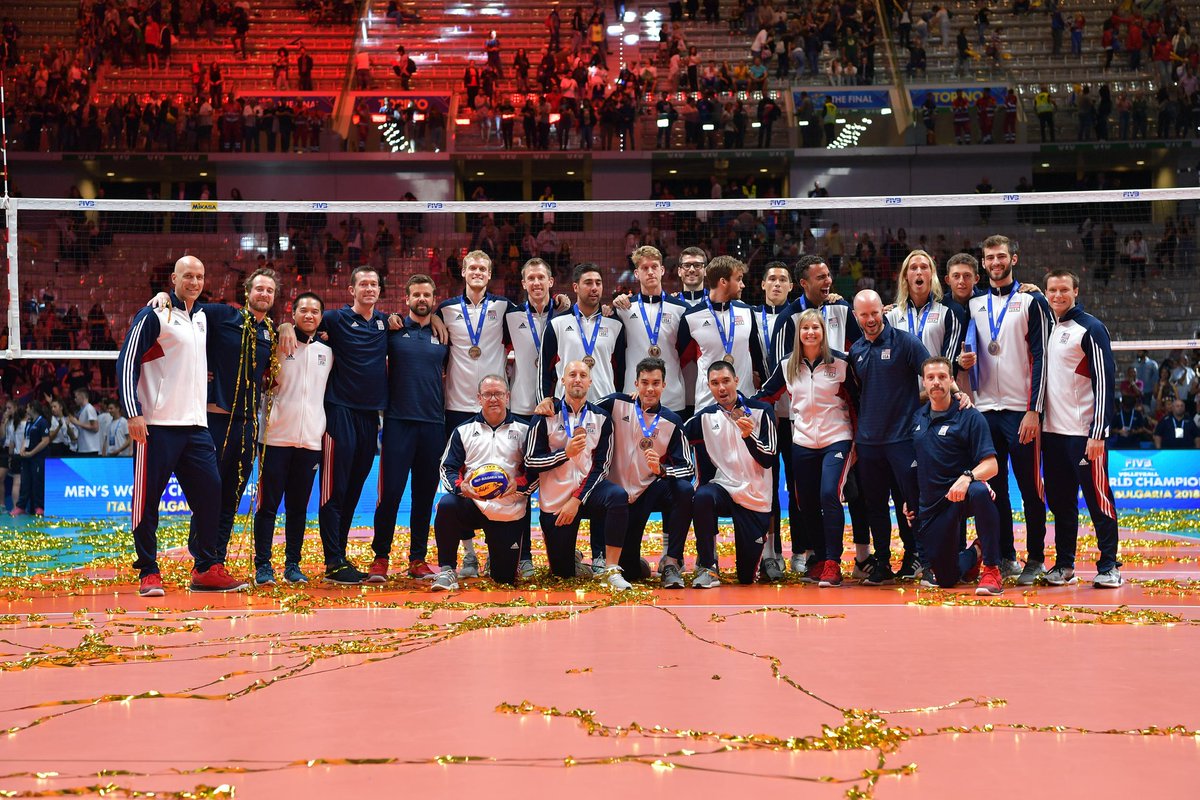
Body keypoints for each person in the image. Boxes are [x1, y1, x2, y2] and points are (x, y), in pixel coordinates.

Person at [116, 255, 248, 596]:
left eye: (200, 276)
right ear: (173, 278)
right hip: (156, 426)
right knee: (146, 502)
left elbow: (244, 312)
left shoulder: (203, 316)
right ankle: (148, 571)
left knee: (211, 495)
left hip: (196, 426)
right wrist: (133, 412)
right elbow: (126, 360)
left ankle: (205, 567)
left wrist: (287, 326)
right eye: (187, 275)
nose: (194, 281)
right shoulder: (155, 313)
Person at [967, 235, 1052, 585]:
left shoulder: (1031, 301)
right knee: (994, 489)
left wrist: (1034, 409)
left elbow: (1042, 357)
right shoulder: (972, 304)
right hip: (985, 410)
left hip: (1021, 411)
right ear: (983, 263)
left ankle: (1035, 558)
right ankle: (1004, 556)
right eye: (990, 257)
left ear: (1013, 259)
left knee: (1031, 489)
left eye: (1002, 256)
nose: (996, 262)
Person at [755, 309, 858, 587]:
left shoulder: (841, 362)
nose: (810, 332)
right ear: (798, 334)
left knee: (829, 494)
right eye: (805, 328)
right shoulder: (788, 364)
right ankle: (822, 559)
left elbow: (856, 402)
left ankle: (834, 564)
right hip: (801, 442)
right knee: (805, 503)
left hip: (837, 438)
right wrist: (737, 406)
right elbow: (765, 395)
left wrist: (857, 441)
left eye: (816, 328)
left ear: (823, 332)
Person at [1042, 270, 1123, 588]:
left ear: (1076, 290)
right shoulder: (1049, 327)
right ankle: (1064, 566)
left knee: (1099, 499)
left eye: (1064, 289)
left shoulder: (1090, 328)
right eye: (1052, 290)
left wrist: (1098, 433)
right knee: (1061, 502)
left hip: (1084, 434)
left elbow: (1106, 382)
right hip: (1052, 434)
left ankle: (1109, 565)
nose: (1058, 295)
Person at [368, 274, 449, 583]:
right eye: (416, 294)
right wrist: (387, 319)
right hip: (398, 424)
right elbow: (368, 323)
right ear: (407, 298)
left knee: (424, 495)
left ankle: (417, 558)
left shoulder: (444, 334)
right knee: (389, 494)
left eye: (427, 295)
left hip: (433, 425)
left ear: (433, 297)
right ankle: (381, 557)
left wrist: (439, 318)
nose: (422, 299)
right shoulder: (393, 330)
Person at [849, 289, 931, 585]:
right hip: (869, 443)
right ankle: (882, 561)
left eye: (875, 313)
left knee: (910, 501)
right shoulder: (856, 350)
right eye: (864, 314)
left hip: (903, 440)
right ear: (856, 316)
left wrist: (956, 396)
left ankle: (917, 556)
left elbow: (932, 373)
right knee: (875, 505)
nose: (870, 319)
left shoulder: (905, 342)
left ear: (882, 311)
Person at [527, 360, 632, 588]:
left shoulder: (602, 417)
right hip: (556, 500)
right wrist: (564, 454)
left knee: (616, 496)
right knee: (563, 576)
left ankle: (611, 568)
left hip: (587, 494)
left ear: (590, 381)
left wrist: (577, 499)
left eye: (583, 375)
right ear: (562, 380)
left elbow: (602, 466)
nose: (577, 379)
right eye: (572, 374)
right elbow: (530, 461)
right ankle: (573, 558)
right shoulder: (545, 415)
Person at [252, 292, 332, 585]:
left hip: (310, 441)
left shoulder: (327, 352)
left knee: (298, 508)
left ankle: (293, 565)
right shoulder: (277, 342)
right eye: (303, 310)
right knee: (268, 506)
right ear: (293, 313)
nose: (309, 315)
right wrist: (282, 327)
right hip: (274, 438)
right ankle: (263, 566)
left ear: (321, 317)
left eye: (315, 311)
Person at [594, 357, 695, 588]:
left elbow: (687, 468)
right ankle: (628, 561)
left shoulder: (672, 420)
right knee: (631, 571)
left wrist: (662, 469)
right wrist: (550, 403)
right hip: (616, 497)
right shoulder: (616, 404)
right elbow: (583, 410)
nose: (650, 388)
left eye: (656, 383)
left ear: (664, 385)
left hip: (648, 492)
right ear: (636, 383)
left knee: (684, 489)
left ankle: (671, 561)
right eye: (645, 382)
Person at [909, 356, 1004, 594]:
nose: (936, 382)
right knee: (946, 579)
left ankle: (992, 569)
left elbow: (992, 465)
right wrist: (907, 500)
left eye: (942, 377)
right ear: (924, 382)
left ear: (952, 380)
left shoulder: (970, 416)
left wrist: (968, 477)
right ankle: (975, 554)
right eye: (930, 378)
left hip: (965, 492)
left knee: (980, 491)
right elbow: (915, 464)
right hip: (935, 504)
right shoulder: (917, 419)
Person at [431, 375, 533, 590]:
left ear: (507, 396)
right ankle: (447, 570)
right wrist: (462, 487)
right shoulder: (463, 430)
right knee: (447, 505)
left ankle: (495, 557)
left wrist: (520, 484)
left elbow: (535, 471)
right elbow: (447, 468)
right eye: (487, 394)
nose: (493, 398)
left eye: (498, 394)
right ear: (479, 398)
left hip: (508, 507)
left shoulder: (525, 430)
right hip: (474, 504)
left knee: (504, 580)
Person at [684, 361, 777, 586]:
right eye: (715, 383)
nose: (722, 388)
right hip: (724, 489)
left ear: (736, 381)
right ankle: (708, 565)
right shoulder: (705, 417)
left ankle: (763, 557)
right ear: (709, 386)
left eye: (726, 381)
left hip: (755, 497)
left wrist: (749, 436)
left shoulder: (761, 411)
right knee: (703, 496)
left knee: (746, 578)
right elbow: (673, 431)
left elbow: (769, 458)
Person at [753, 261, 804, 580]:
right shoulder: (746, 315)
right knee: (767, 485)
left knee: (799, 486)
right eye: (771, 278)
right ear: (761, 285)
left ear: (791, 287)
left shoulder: (804, 318)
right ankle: (770, 552)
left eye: (782, 280)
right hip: (764, 415)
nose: (776, 284)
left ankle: (801, 551)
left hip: (798, 415)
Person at [610, 246, 692, 414]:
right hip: (633, 394)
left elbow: (686, 351)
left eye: (654, 267)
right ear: (636, 274)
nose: (650, 272)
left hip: (672, 395)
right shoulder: (623, 309)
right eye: (644, 268)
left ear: (662, 270)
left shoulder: (680, 309)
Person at [680, 255, 765, 411]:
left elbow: (758, 357)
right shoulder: (691, 317)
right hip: (708, 404)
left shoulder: (746, 312)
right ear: (723, 282)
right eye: (738, 279)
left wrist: (765, 399)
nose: (743, 285)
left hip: (745, 402)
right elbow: (678, 359)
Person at [540, 263, 626, 404]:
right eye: (588, 283)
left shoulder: (615, 325)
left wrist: (617, 402)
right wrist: (545, 400)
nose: (594, 288)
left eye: (598, 283)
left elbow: (621, 371)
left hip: (605, 407)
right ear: (575, 287)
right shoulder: (557, 324)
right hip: (566, 408)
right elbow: (544, 371)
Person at [886, 249, 962, 363]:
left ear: (932, 274)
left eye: (924, 267)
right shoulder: (892, 315)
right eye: (913, 268)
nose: (919, 272)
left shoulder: (946, 313)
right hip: (902, 380)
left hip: (935, 380)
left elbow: (948, 364)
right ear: (906, 275)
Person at [15, 399, 49, 516]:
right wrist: (22, 449)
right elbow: (26, 437)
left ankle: (39, 507)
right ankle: (21, 507)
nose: (26, 409)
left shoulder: (42, 422)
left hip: (38, 458)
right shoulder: (29, 422)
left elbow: (45, 440)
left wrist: (32, 452)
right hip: (27, 458)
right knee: (25, 482)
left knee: (37, 482)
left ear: (33, 408)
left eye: (28, 407)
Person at [68, 388, 101, 455]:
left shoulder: (89, 408)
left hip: (90, 448)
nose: (75, 399)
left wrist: (77, 422)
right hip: (83, 447)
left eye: (76, 397)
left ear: (82, 397)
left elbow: (95, 427)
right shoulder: (82, 410)